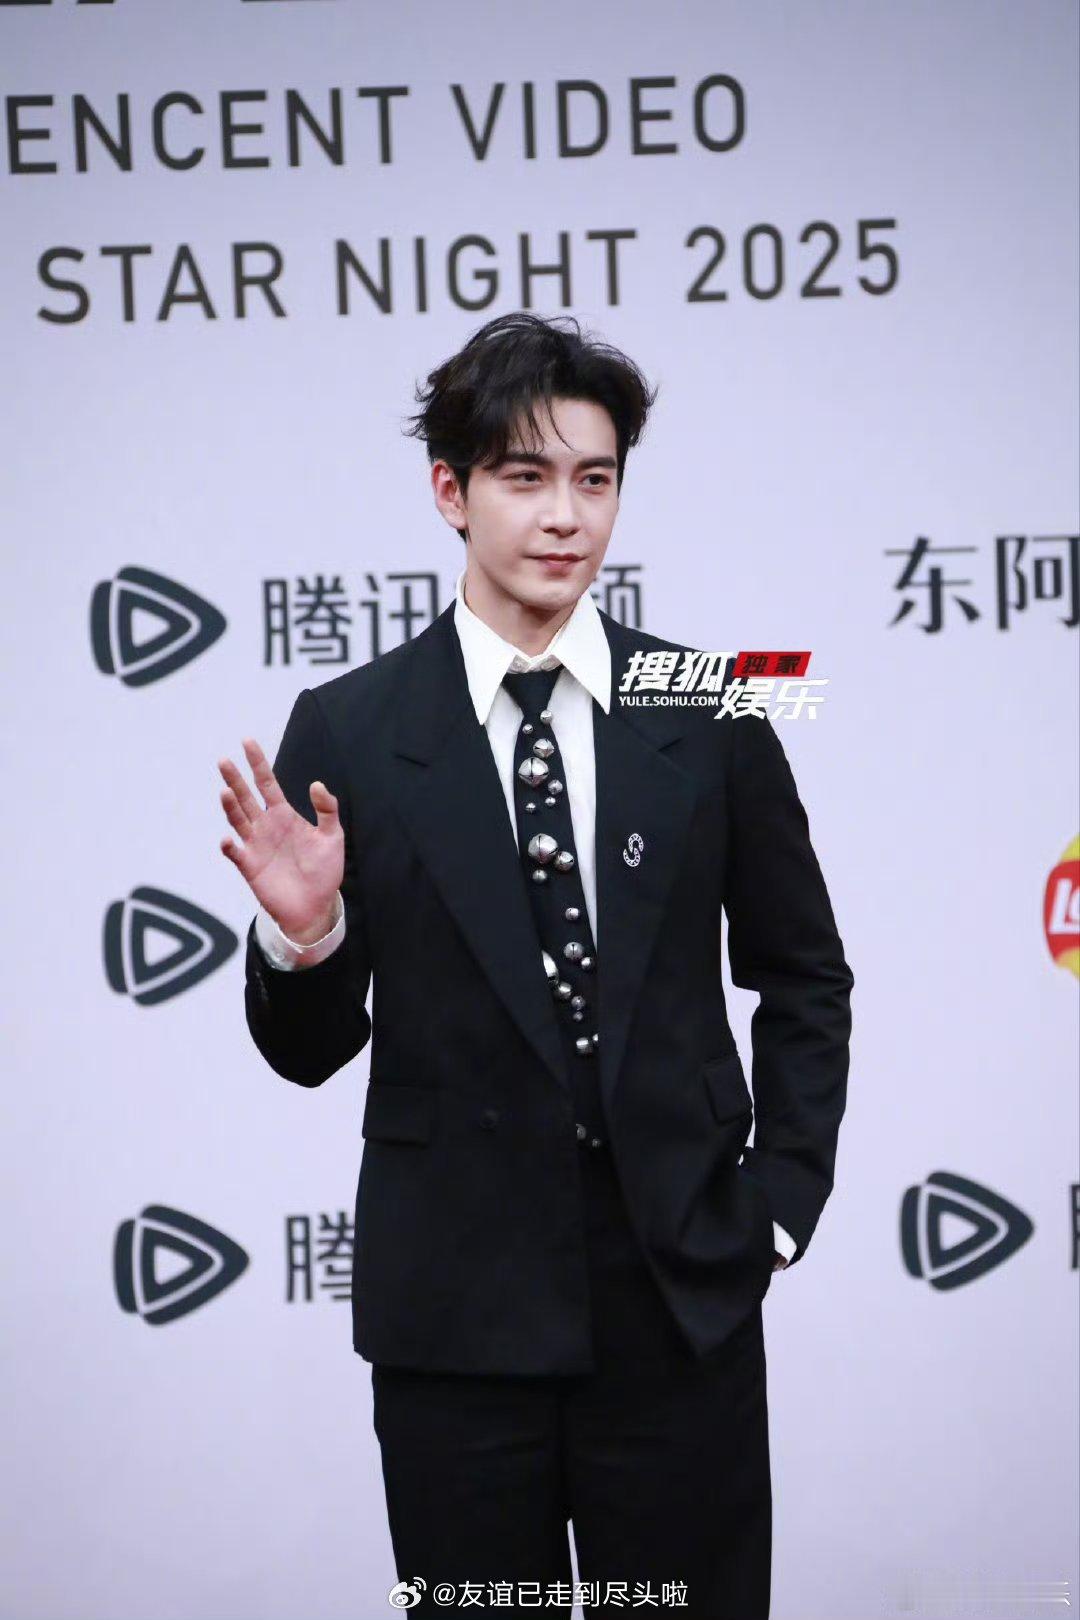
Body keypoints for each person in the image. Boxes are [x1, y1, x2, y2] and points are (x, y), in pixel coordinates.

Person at [217, 312, 854, 1619]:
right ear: (450, 492)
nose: (565, 517)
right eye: (524, 477)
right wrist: (307, 936)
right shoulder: (351, 726)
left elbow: (804, 976)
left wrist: (780, 1201)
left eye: (594, 479)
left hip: (678, 1298)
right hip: (454, 1320)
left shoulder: (712, 703)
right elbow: (306, 1051)